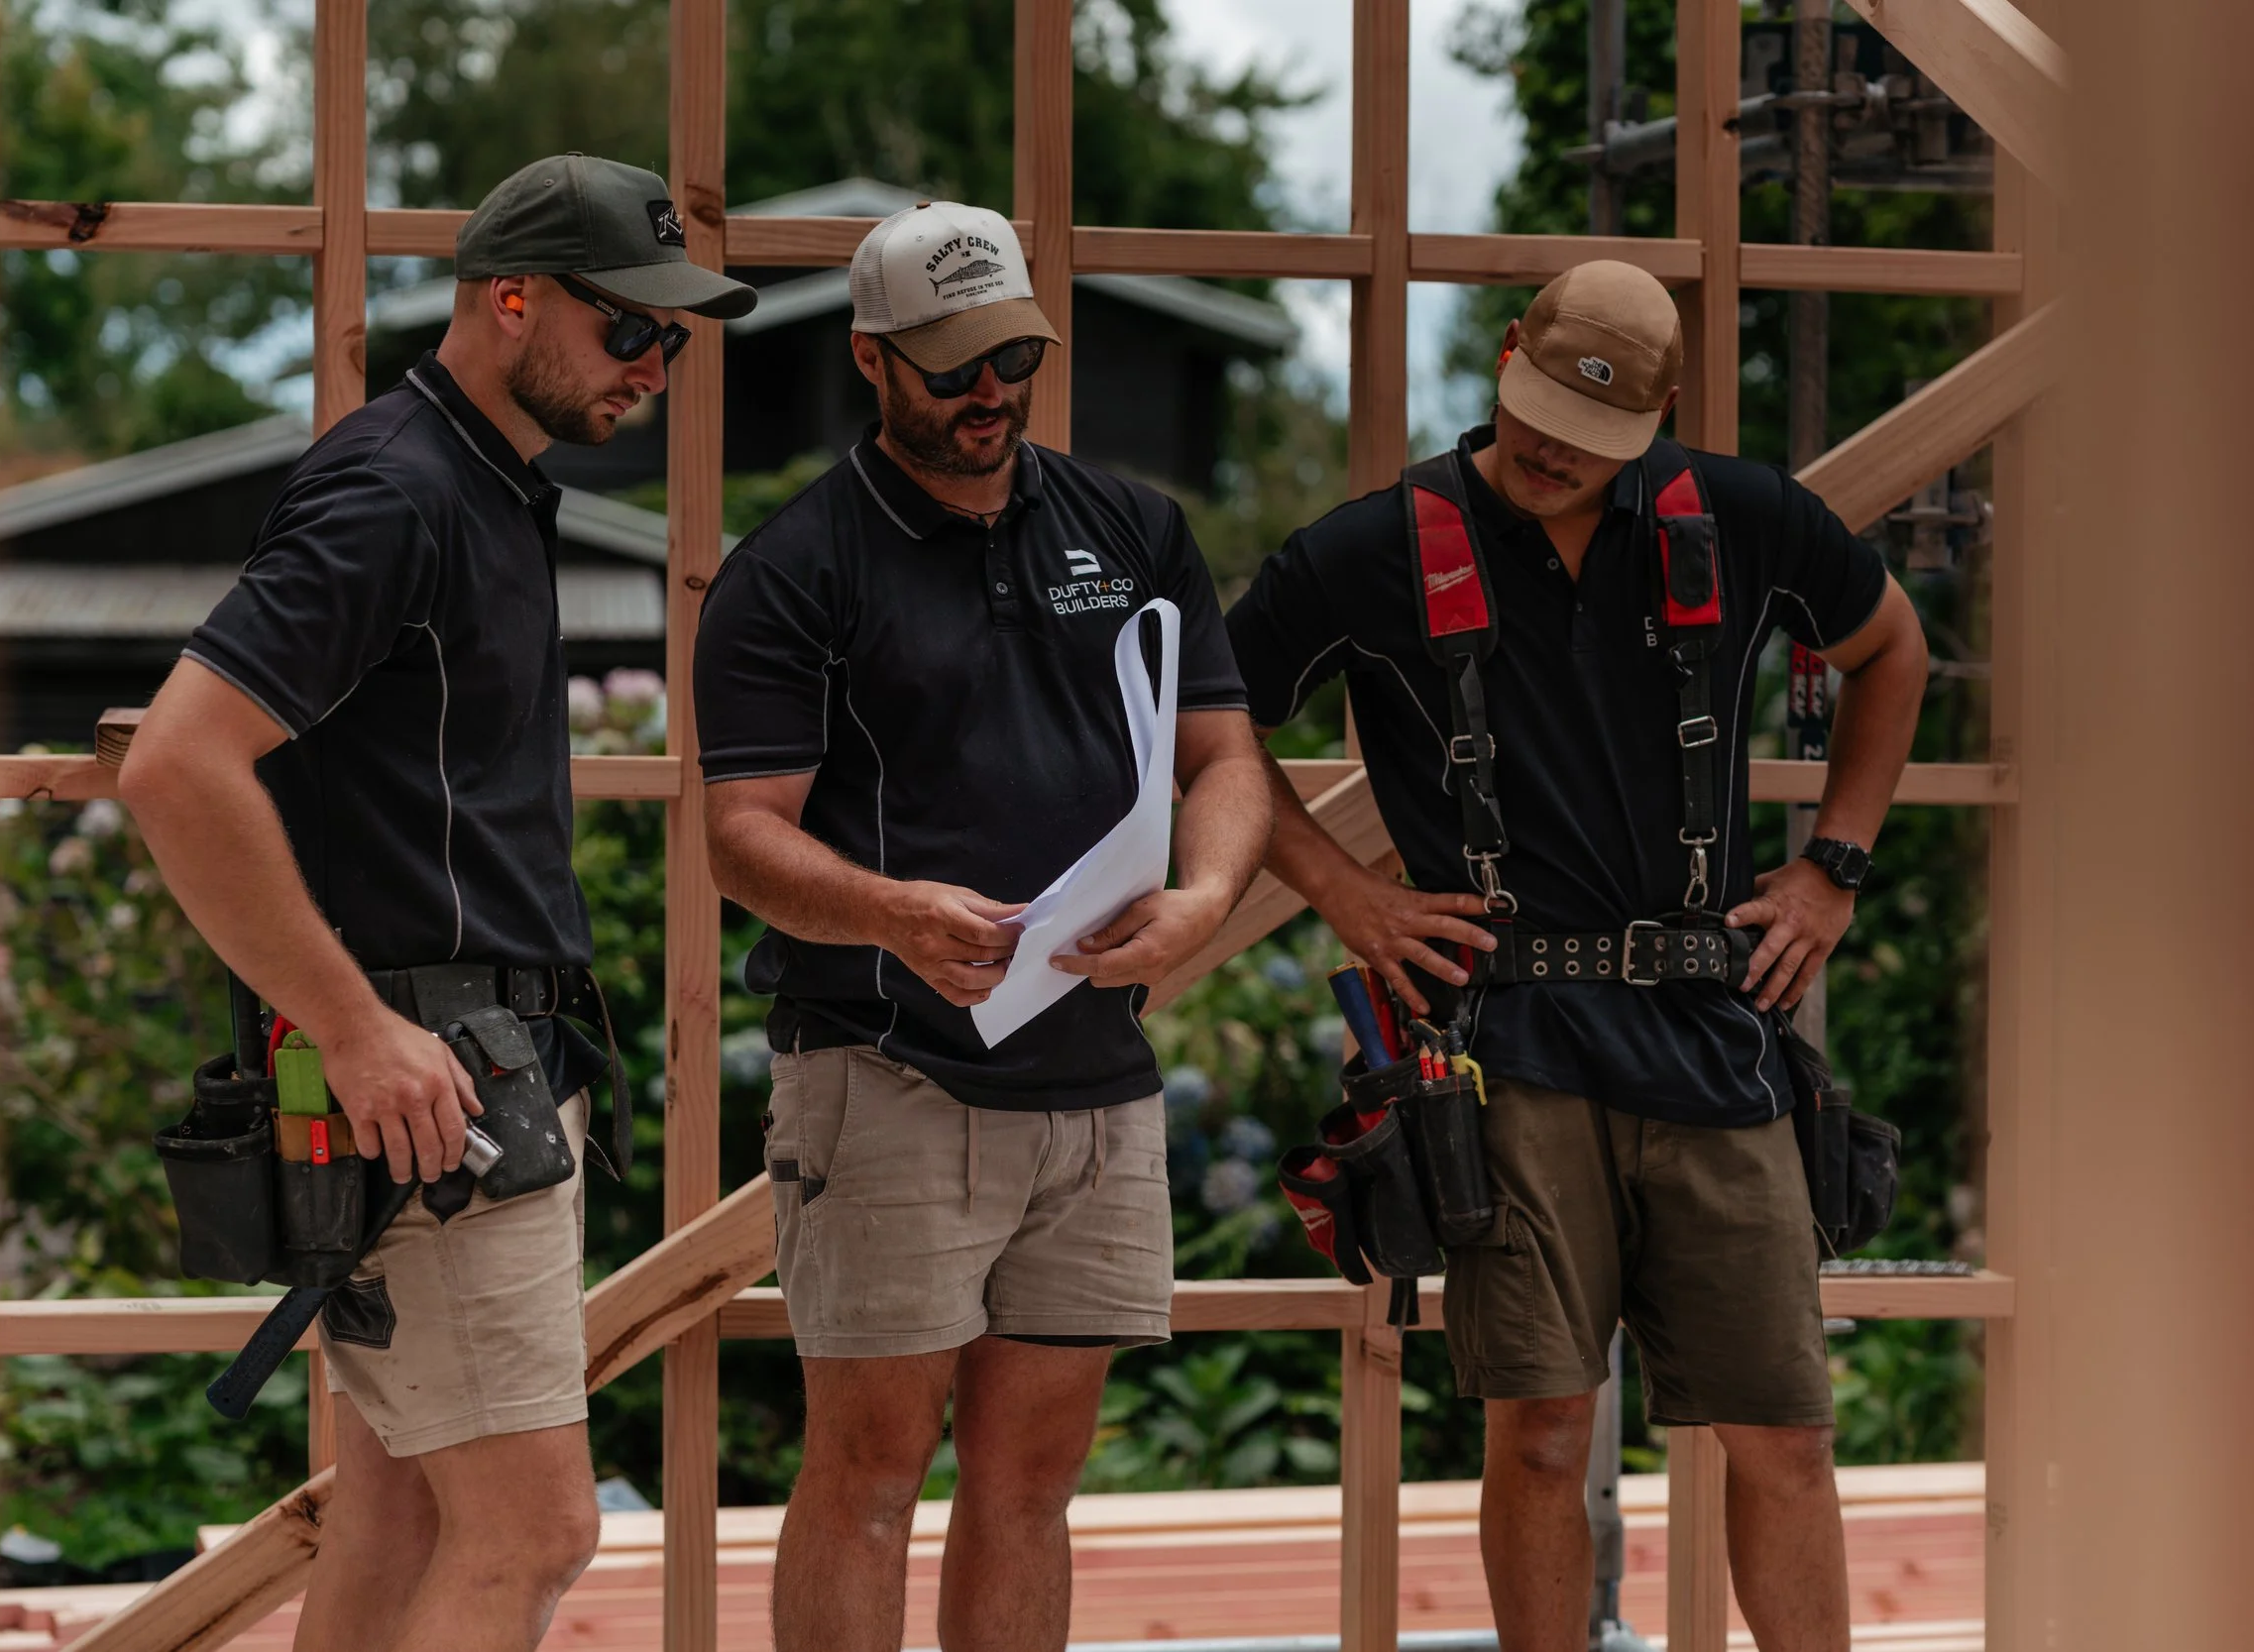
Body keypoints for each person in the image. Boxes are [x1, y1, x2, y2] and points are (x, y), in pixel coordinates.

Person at [1227, 261, 1929, 1652]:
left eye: (1594, 436)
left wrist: (1833, 867)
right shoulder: (1371, 545)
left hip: (1712, 1027)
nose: (1551, 453)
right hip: (1510, 1046)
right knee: (1542, 1431)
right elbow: (1207, 715)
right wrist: (1341, 890)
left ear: (1663, 413)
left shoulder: (1739, 517)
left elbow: (1890, 646)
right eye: (1537, 411)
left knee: (1782, 1433)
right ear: (1503, 356)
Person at [119, 155, 755, 1652]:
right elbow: (176, 765)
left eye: (673, 340)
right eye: (629, 333)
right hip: (431, 1086)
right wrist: (354, 1029)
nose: (655, 369)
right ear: (508, 296)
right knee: (536, 1525)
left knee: (404, 1515)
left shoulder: (478, 485)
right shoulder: (396, 489)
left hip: (464, 1078)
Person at [694, 199, 1274, 1652]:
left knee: (1032, 1484)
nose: (989, 390)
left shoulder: (1132, 525)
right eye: (952, 363)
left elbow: (1225, 761)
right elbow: (740, 836)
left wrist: (1203, 901)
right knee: (870, 1476)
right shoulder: (794, 568)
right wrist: (893, 915)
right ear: (872, 357)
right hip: (890, 1074)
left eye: (1011, 352)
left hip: (1095, 1086)